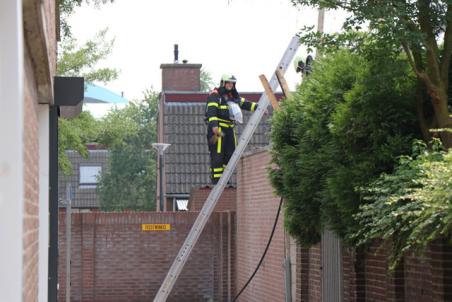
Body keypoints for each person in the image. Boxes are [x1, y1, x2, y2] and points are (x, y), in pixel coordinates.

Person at [205, 74, 258, 184]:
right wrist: (214, 126)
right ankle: (216, 181)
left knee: (230, 155)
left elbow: (245, 104)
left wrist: (259, 107)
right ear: (223, 83)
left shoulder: (233, 96)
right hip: (218, 130)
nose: (230, 85)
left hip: (229, 129)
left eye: (232, 83)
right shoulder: (215, 96)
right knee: (217, 155)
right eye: (228, 82)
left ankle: (224, 180)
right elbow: (211, 112)